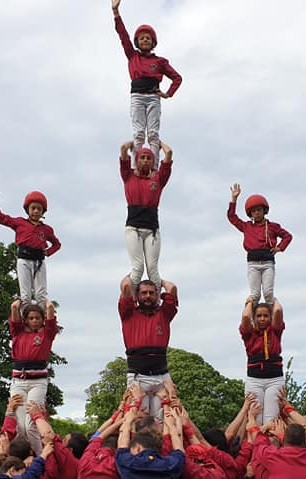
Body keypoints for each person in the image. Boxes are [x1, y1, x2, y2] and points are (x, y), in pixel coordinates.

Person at [111, 0, 181, 166]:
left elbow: (177, 78)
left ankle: (154, 167)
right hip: (137, 97)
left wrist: (168, 94)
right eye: (142, 38)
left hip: (153, 98)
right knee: (139, 133)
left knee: (153, 134)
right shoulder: (133, 56)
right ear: (137, 41)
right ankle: (136, 167)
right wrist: (116, 13)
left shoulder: (159, 61)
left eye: (148, 38)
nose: (144, 40)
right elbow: (123, 36)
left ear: (153, 41)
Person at [0, 186, 61, 304]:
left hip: (39, 261)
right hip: (24, 260)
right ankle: (24, 320)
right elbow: (1, 218)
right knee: (25, 295)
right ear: (28, 210)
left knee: (40, 295)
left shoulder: (46, 229)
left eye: (39, 209)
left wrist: (48, 252)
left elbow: (57, 244)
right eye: (33, 208)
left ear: (43, 211)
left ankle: (42, 320)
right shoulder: (20, 223)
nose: (36, 211)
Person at [118, 276, 178, 419]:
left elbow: (172, 288)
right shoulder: (128, 313)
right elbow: (126, 285)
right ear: (137, 295)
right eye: (143, 293)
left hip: (161, 375)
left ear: (157, 295)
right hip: (138, 376)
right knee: (139, 419)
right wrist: (135, 271)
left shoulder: (164, 313)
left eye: (151, 293)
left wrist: (158, 279)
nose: (148, 296)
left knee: (162, 419)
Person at [120, 142, 173, 292]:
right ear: (136, 160)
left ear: (153, 162)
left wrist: (156, 142)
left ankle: (155, 303)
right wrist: (135, 143)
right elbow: (124, 149)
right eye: (142, 157)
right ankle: (132, 301)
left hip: (152, 230)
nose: (145, 160)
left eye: (148, 158)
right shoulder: (128, 176)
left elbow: (168, 153)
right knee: (137, 267)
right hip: (133, 228)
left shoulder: (158, 179)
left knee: (152, 269)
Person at [228, 185, 292, 304]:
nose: (256, 213)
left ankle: (274, 317)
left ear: (264, 211)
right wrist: (234, 199)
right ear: (250, 214)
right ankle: (252, 320)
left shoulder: (273, 226)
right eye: (253, 211)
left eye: (259, 210)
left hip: (268, 263)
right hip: (253, 264)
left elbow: (288, 236)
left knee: (268, 294)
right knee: (255, 295)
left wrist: (279, 248)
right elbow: (232, 217)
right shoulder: (247, 227)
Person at [9, 300, 58, 453]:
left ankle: (40, 458)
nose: (35, 321)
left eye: (38, 318)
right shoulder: (18, 332)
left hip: (38, 382)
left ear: (42, 320)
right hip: (19, 381)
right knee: (21, 427)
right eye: (31, 318)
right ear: (25, 320)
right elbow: (14, 308)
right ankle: (24, 457)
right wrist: (20, 301)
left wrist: (44, 301)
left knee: (31, 425)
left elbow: (50, 310)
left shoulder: (47, 334)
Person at [240, 298, 285, 424]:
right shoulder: (249, 333)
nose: (262, 319)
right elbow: (245, 316)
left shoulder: (275, 331)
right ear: (254, 318)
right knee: (255, 418)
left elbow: (278, 310)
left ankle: (271, 443)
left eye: (266, 315)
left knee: (272, 420)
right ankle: (254, 443)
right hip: (255, 380)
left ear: (270, 317)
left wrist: (271, 298)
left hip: (275, 379)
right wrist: (250, 303)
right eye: (259, 316)